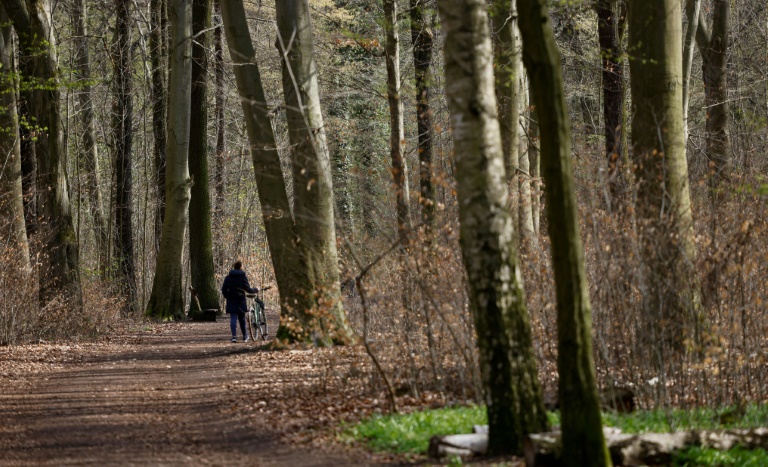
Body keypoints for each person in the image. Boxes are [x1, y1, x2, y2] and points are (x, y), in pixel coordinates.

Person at [221, 261, 258, 343]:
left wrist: (227, 296)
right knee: (242, 318)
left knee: (233, 317)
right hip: (241, 299)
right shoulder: (243, 277)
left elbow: (223, 289)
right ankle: (245, 336)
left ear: (234, 267)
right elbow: (248, 289)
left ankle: (234, 337)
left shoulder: (228, 277)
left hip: (231, 299)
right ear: (241, 267)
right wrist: (255, 290)